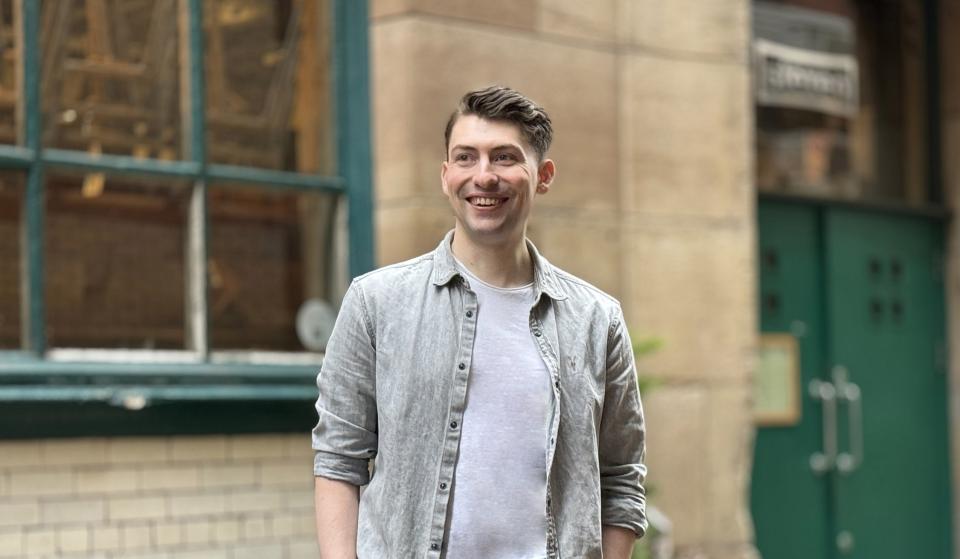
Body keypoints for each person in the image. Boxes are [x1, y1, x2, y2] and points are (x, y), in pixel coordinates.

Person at [312, 85, 647, 559]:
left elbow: (621, 479)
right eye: (466, 158)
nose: (483, 176)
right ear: (445, 174)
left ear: (543, 175)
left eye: (504, 157)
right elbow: (338, 459)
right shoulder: (376, 303)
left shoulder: (597, 320)